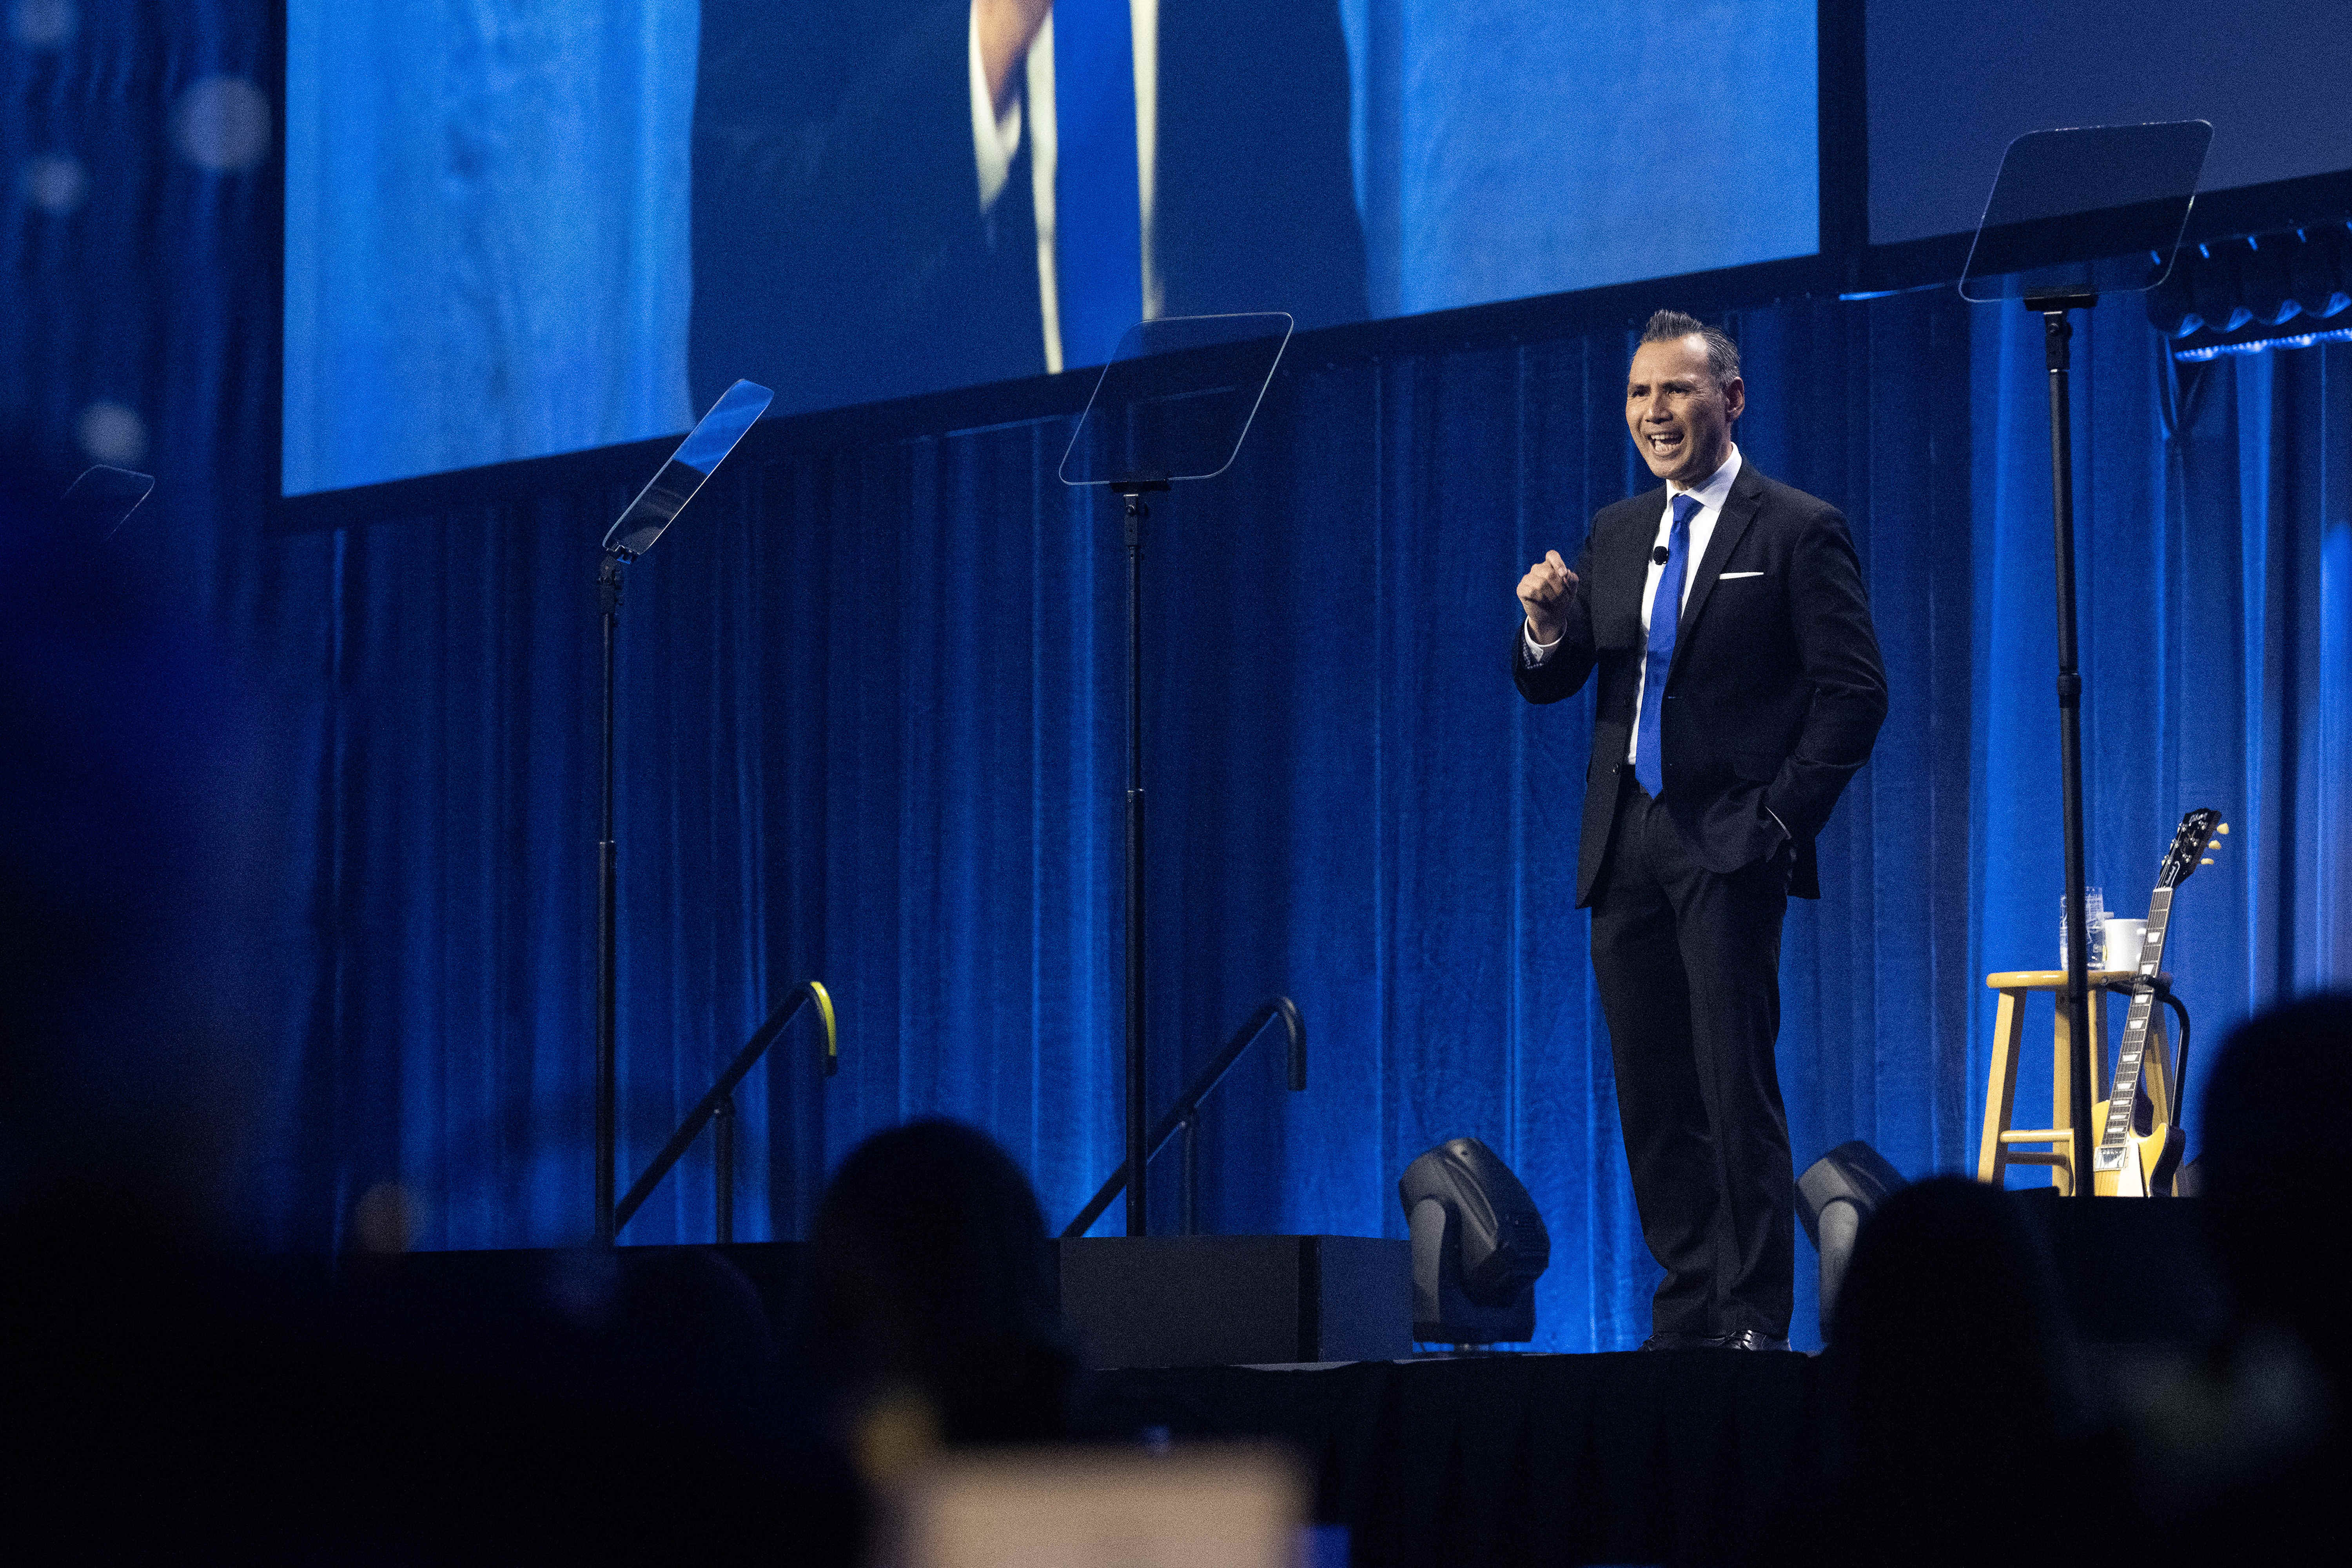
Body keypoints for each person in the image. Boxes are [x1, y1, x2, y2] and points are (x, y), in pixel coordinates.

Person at [1512, 311, 1886, 1350]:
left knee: (1733, 1086)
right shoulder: (1619, 529)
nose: (1654, 413)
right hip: (1624, 841)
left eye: (1675, 390)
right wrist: (1546, 626)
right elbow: (1560, 676)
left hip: (1728, 838)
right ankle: (1686, 1310)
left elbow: (1855, 694)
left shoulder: (1796, 527)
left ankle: (1752, 1314)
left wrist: (1775, 822)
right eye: (1638, 393)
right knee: (1654, 1094)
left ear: (1731, 397)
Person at [689, 0, 1365, 415]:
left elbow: (1315, 273)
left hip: (1219, 534)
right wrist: (990, 39)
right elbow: (749, 300)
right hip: (922, 541)